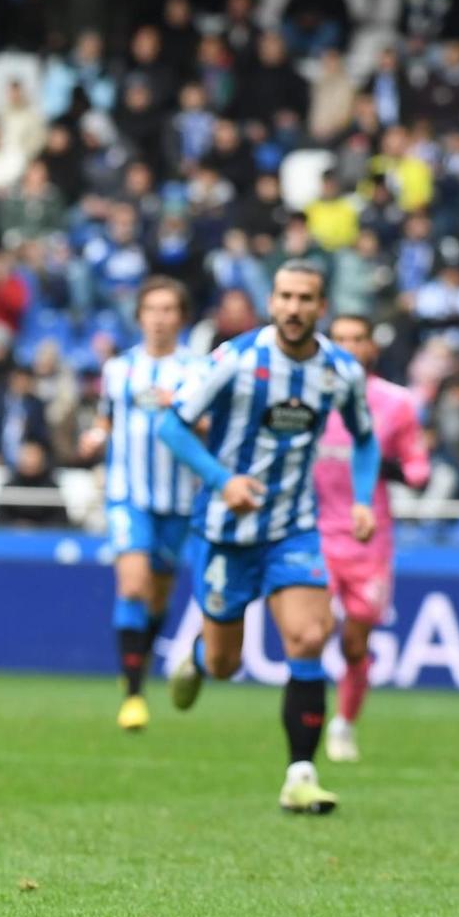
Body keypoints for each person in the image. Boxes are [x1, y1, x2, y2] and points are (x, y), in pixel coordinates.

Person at [159, 262, 378, 815]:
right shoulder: (236, 359)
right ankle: (203, 661)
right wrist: (222, 480)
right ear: (272, 302)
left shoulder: (338, 370)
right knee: (228, 662)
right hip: (225, 532)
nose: (294, 308)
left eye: (305, 298)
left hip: (292, 528)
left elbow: (366, 439)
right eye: (284, 296)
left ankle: (300, 775)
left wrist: (361, 497)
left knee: (309, 636)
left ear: (320, 306)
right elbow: (171, 426)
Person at [84, 278, 204, 731]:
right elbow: (106, 418)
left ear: (181, 316)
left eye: (168, 309)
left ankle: (136, 664)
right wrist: (95, 436)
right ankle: (133, 693)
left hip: (177, 500)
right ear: (139, 317)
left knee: (157, 596)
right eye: (151, 309)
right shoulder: (119, 370)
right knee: (132, 585)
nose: (159, 318)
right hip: (127, 493)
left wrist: (188, 410)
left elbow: (213, 427)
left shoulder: (197, 371)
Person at [313, 315, 431, 763]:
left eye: (356, 339)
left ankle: (344, 722)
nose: (347, 347)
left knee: (354, 644)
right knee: (312, 629)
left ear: (370, 347)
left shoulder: (395, 404)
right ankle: (307, 723)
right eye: (338, 339)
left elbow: (418, 469)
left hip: (367, 538)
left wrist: (382, 466)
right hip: (315, 532)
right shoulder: (309, 396)